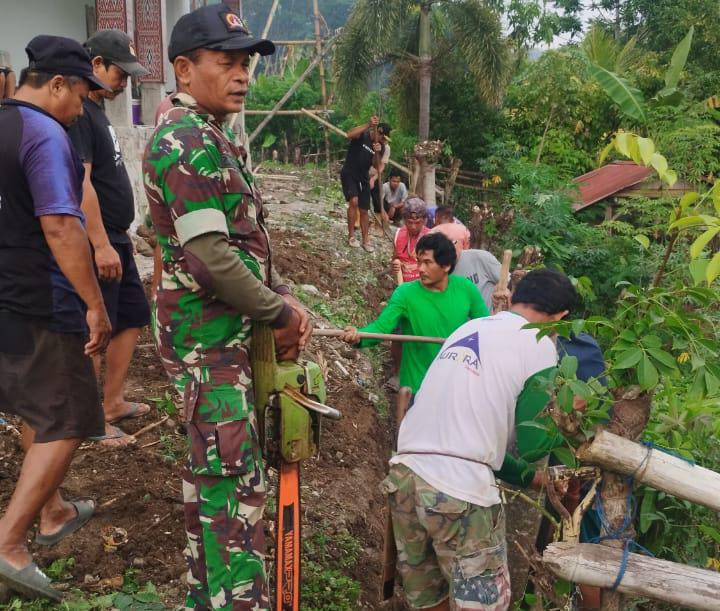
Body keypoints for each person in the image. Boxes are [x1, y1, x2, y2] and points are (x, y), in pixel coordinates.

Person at [143, 5, 311, 608]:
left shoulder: (209, 135)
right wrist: (279, 311)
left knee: (212, 493)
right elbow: (212, 258)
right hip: (210, 351)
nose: (241, 74)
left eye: (245, 63)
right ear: (184, 69)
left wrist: (275, 295)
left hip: (218, 345)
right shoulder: (184, 140)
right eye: (226, 62)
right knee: (232, 499)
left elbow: (221, 245)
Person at [384, 269, 577, 611]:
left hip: (406, 475)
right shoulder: (540, 343)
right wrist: (567, 413)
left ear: (516, 297)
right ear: (560, 317)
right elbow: (534, 444)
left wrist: (532, 480)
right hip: (458, 492)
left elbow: (468, 438)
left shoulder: (470, 328)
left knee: (429, 599)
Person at [0, 35, 112, 601]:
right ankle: (9, 542)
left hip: (6, 299)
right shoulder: (44, 133)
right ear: (58, 84)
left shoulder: (2, 124)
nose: (83, 108)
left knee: (34, 406)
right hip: (43, 298)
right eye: (82, 96)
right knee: (69, 415)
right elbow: (61, 226)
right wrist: (94, 304)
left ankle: (53, 510)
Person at [68, 29, 152, 447]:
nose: (125, 82)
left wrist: (118, 237)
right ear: (96, 65)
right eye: (121, 73)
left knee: (134, 316)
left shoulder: (98, 112)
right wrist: (99, 243)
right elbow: (82, 186)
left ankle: (112, 402)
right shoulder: (80, 114)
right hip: (99, 242)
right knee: (97, 328)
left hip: (118, 238)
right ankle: (90, 421)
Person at [340, 233, 489, 395]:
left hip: (454, 384)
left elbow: (485, 326)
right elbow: (382, 327)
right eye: (419, 262)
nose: (420, 269)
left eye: (427, 263)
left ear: (446, 265)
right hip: (417, 386)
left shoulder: (466, 289)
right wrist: (359, 335)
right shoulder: (405, 294)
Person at [340, 115, 391, 251]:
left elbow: (376, 165)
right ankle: (351, 236)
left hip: (364, 177)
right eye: (383, 137)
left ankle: (365, 240)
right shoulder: (362, 135)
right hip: (350, 173)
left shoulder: (382, 147)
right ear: (378, 132)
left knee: (364, 209)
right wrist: (368, 124)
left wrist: (377, 153)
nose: (384, 141)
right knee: (354, 202)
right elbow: (348, 134)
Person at [392, 197, 431, 284]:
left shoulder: (431, 237)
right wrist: (396, 264)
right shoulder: (398, 234)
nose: (413, 227)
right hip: (404, 288)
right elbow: (395, 258)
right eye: (410, 222)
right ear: (404, 220)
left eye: (417, 223)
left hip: (425, 289)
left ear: (424, 221)